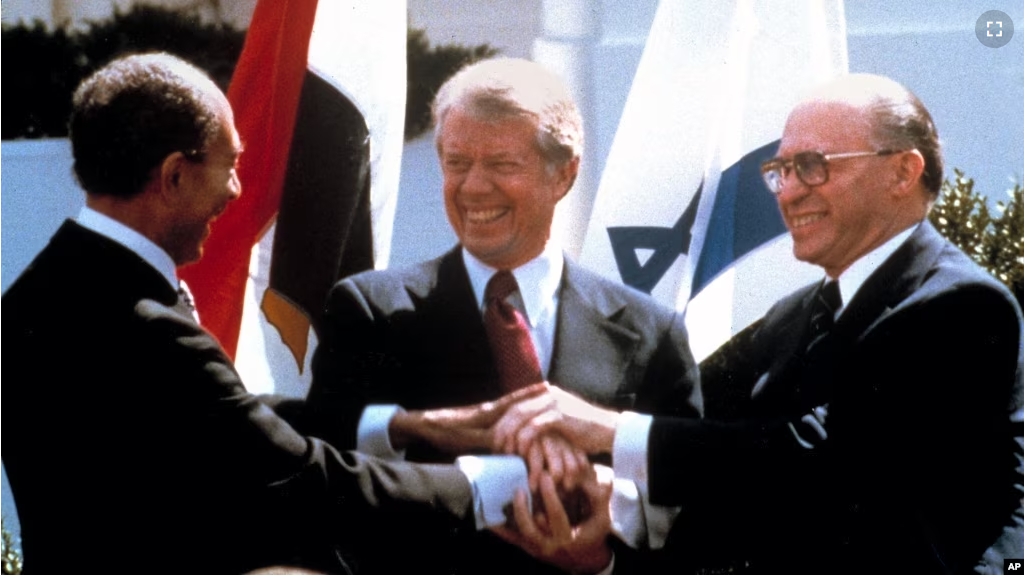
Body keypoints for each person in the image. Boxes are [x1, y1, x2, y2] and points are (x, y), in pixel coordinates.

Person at [1, 52, 538, 575]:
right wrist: (493, 487)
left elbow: (214, 415)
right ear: (174, 177)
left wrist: (401, 426)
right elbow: (290, 475)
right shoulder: (146, 325)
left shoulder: (39, 292)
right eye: (230, 165)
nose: (236, 191)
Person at [491, 73, 1024, 573]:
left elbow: (815, 465)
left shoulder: (962, 306)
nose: (788, 193)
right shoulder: (792, 317)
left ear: (902, 172)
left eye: (814, 165)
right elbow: (696, 426)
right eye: (780, 171)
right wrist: (599, 536)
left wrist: (607, 430)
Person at [304, 57, 701, 573]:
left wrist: (598, 564)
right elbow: (321, 465)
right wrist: (417, 428)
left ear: (564, 174)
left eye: (501, 164)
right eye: (456, 162)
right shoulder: (371, 311)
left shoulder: (652, 332)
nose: (472, 187)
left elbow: (689, 513)